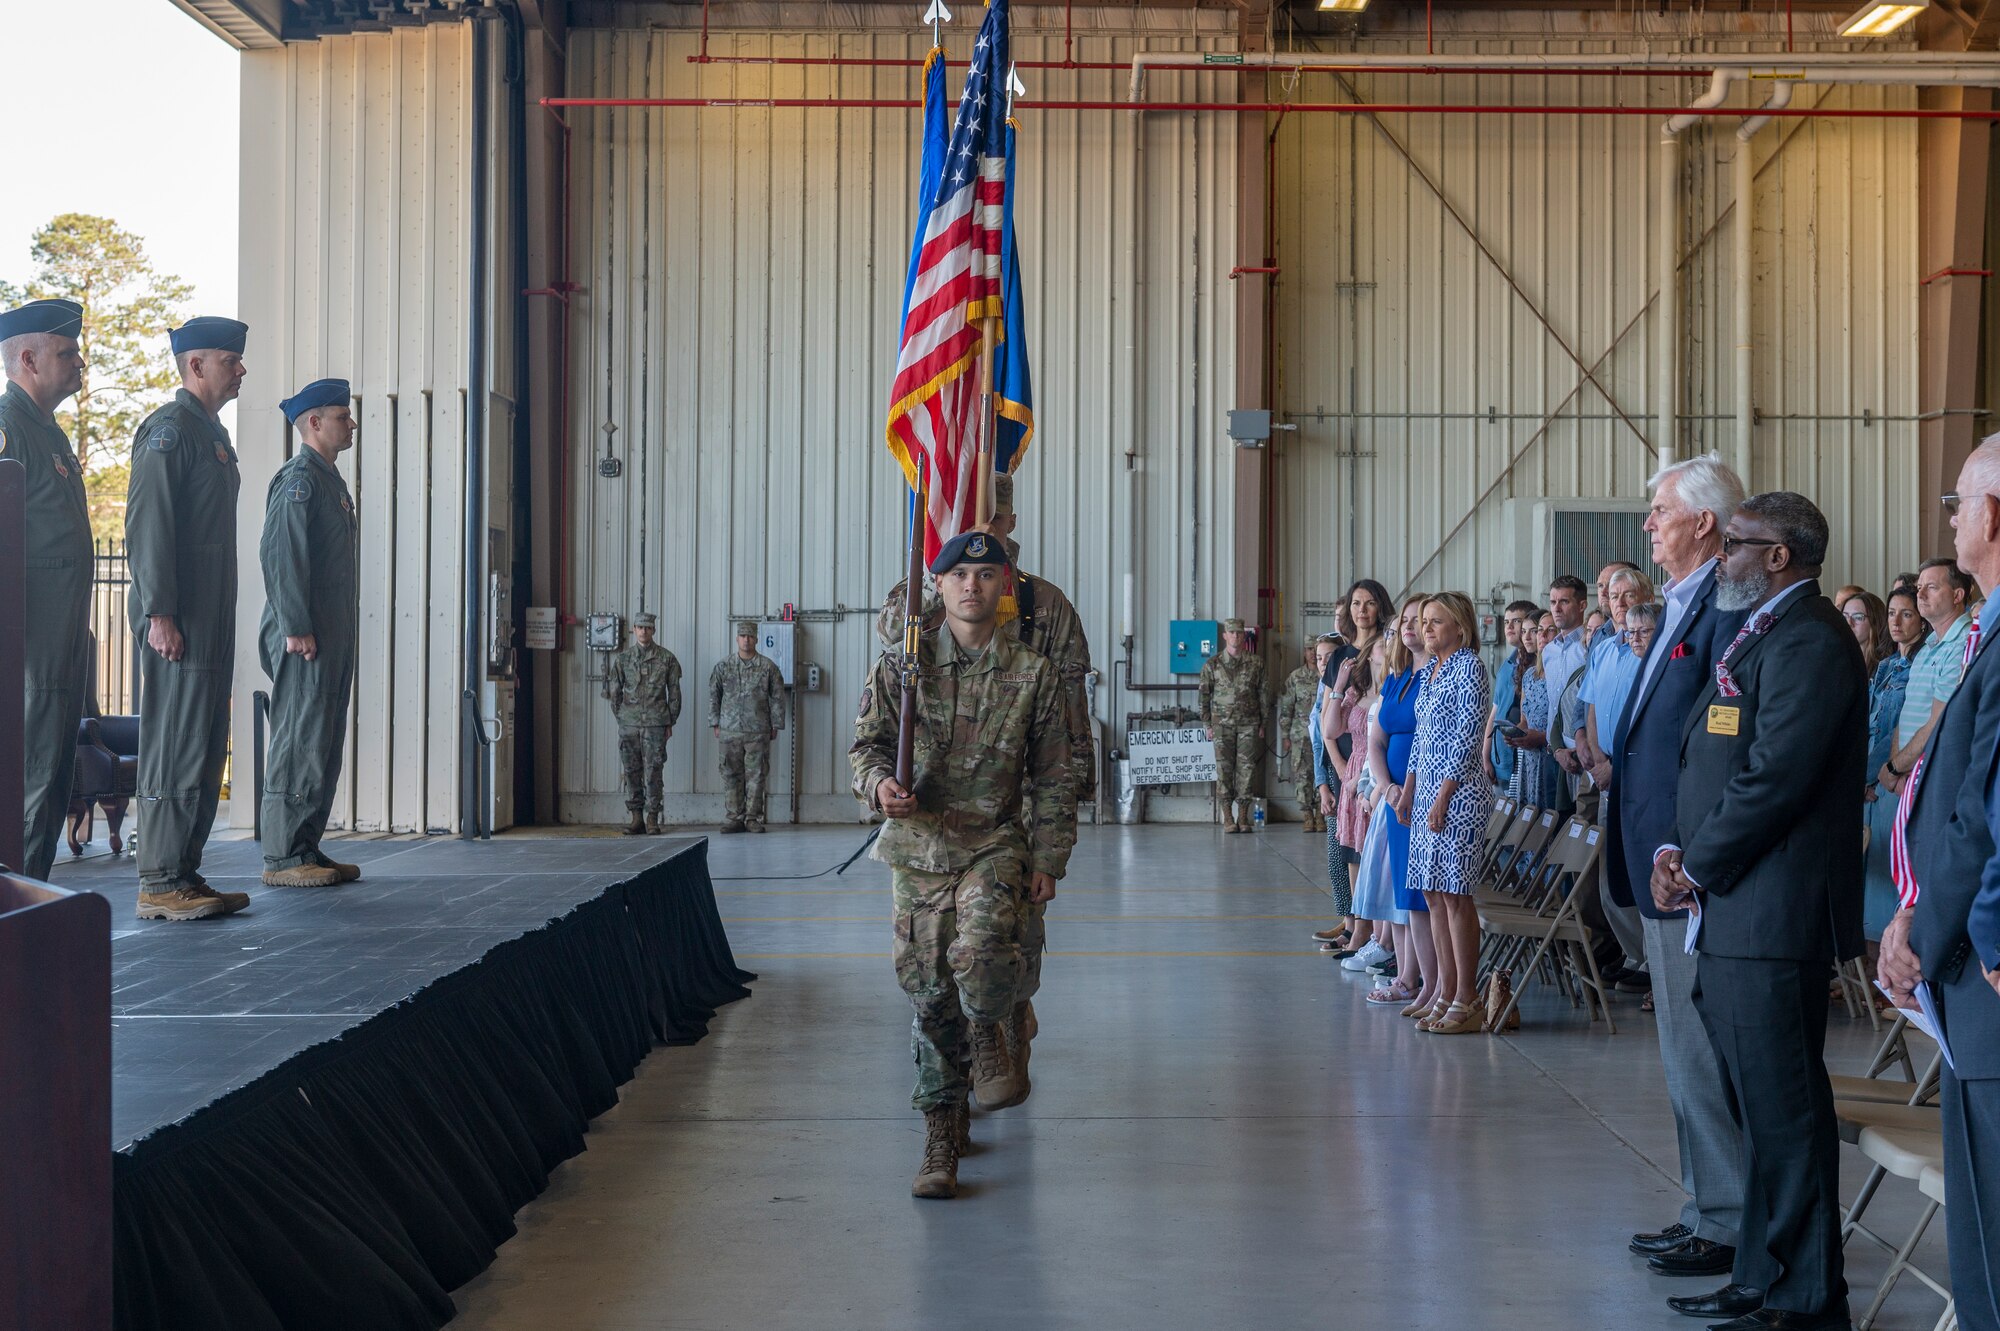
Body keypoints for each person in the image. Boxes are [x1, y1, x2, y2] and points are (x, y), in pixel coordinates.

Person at [1655, 491, 1864, 1331]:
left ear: (1779, 556)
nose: (1723, 557)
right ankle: (1759, 1273)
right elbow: (1714, 754)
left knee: (1786, 1116)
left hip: (1773, 916)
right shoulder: (1765, 627)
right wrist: (1677, 847)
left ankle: (1807, 1297)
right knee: (1756, 1113)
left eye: (1736, 544)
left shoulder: (1812, 638)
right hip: (1737, 907)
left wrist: (1698, 861)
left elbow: (1775, 775)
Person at [849, 529, 1075, 1200]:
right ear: (937, 588)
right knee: (927, 996)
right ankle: (941, 1133)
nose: (971, 584)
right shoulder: (900, 669)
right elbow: (866, 747)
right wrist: (878, 787)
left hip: (993, 844)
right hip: (918, 850)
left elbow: (1054, 778)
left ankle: (989, 1030)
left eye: (984, 573)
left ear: (1005, 587)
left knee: (978, 949)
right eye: (958, 575)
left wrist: (1048, 857)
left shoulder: (1034, 674)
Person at [1605, 451, 1750, 1288]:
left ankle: (1727, 1216)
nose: (1650, 524)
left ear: (1704, 523)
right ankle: (1706, 1205)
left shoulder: (1727, 608)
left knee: (1699, 1049)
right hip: (1654, 859)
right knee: (1677, 1049)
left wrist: (1688, 850)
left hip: (1685, 867)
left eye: (1660, 511)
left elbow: (1718, 749)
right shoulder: (1678, 606)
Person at [1879, 438, 2000, 1331]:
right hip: (1958, 941)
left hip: (1985, 961)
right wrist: (1916, 912)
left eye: (1959, 503)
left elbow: (1987, 815)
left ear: (1993, 513)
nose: (1952, 518)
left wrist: (1966, 935)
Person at [877, 471, 1095, 813]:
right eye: (973, 517)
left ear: (1012, 521)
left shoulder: (1044, 600)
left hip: (1015, 782)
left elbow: (1071, 690)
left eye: (995, 518)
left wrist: (1078, 774)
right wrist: (943, 582)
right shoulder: (935, 587)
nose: (985, 526)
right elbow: (890, 633)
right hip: (935, 778)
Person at [126, 317, 250, 916]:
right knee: (176, 740)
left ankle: (183, 870)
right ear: (196, 366)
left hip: (209, 615)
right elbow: (150, 526)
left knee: (203, 745)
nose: (241, 369)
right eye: (231, 360)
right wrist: (160, 612)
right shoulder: (171, 431)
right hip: (180, 619)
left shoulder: (210, 435)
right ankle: (158, 879)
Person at [257, 379, 362, 893]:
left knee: (322, 739)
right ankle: (282, 854)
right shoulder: (300, 479)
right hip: (306, 637)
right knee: (299, 738)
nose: (353, 424)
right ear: (314, 423)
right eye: (343, 416)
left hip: (329, 635)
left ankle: (305, 843)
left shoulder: (328, 481)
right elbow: (282, 556)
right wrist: (296, 626)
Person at [0, 299, 91, 883]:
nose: (79, 361)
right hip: (29, 645)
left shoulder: (49, 435)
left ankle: (32, 897)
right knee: (30, 775)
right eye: (66, 352)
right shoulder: (10, 429)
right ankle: (17, 903)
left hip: (59, 642)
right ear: (28, 358)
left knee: (52, 776)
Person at [1400, 592, 1493, 1035]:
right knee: (1434, 894)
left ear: (1461, 627)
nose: (1427, 628)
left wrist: (1442, 796)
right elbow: (1422, 739)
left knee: (1456, 895)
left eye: (1437, 621)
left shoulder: (1470, 667)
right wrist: (1410, 792)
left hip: (1459, 796)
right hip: (1426, 797)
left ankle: (1467, 997)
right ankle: (1443, 990)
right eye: (1424, 621)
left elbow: (1466, 737)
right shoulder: (1431, 672)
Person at [1363, 598, 1435, 993]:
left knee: (1422, 894)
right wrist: (1385, 786)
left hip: (1421, 796)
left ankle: (1424, 980)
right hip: (1394, 797)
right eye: (1405, 620)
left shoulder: (1437, 677)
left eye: (1419, 620)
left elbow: (1427, 741)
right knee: (1402, 892)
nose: (1409, 627)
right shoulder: (1397, 677)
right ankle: (1407, 976)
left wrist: (1403, 788)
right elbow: (1376, 740)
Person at [1876, 558, 1974, 802]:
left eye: (1931, 587)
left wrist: (1894, 768)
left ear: (1957, 595)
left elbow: (1939, 723)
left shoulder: (1963, 644)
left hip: (1936, 781)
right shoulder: (1927, 648)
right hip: (1908, 779)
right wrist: (1896, 768)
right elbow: (1906, 716)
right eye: (1919, 587)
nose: (1921, 594)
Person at [1861, 587, 1925, 939]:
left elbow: (1900, 727)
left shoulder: (1922, 662)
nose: (1897, 621)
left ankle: (1888, 966)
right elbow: (1869, 721)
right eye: (1891, 613)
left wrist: (1869, 773)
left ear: (1921, 619)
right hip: (1869, 773)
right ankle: (1872, 969)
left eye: (1907, 614)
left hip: (1892, 774)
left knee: (1890, 872)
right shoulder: (1885, 665)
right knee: (1870, 873)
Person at [604, 613, 681, 834]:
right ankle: (636, 818)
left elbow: (674, 694)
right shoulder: (624, 660)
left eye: (647, 628)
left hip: (656, 725)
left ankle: (653, 818)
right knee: (631, 771)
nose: (643, 631)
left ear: (653, 630)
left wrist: (669, 721)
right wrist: (623, 718)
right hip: (629, 725)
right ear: (634, 630)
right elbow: (615, 693)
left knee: (654, 771)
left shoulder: (667, 659)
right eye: (639, 627)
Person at [708, 621, 786, 834]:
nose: (746, 640)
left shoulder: (767, 667)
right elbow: (714, 695)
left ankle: (752, 818)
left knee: (756, 774)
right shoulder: (724, 667)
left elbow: (778, 697)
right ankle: (734, 818)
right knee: (731, 774)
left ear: (756, 639)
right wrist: (715, 722)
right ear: (737, 639)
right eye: (742, 636)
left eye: (750, 636)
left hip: (757, 731)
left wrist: (776, 724)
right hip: (729, 730)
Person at [1199, 617, 1270, 833]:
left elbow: (1264, 694)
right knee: (1224, 770)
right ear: (1224, 636)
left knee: (1247, 770)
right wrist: (1206, 723)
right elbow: (1204, 695)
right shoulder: (1212, 664)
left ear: (1244, 636)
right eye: (1232, 633)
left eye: (1239, 633)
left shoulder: (1256, 663)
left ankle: (1243, 816)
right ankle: (1228, 816)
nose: (1236, 637)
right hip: (1221, 725)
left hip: (1249, 724)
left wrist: (1263, 722)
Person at [1504, 612, 1564, 809]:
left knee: (1551, 819)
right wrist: (1515, 734)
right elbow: (1524, 720)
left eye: (1550, 631)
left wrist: (1541, 737)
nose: (1542, 636)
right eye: (1540, 631)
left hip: (1552, 754)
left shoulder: (1562, 672)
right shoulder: (1529, 675)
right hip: (1530, 758)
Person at [1484, 600, 1540, 794]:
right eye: (1506, 622)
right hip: (1500, 759)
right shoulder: (1506, 665)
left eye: (1516, 621)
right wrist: (1485, 755)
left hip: (1525, 759)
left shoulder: (1538, 667)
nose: (1509, 627)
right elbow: (1495, 712)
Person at [1279, 643, 1323, 831]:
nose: (1313, 653)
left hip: (1322, 736)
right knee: (1302, 775)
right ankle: (1307, 815)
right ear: (1304, 652)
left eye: (1316, 649)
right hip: (1301, 735)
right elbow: (1287, 708)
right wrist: (1285, 735)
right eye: (1309, 649)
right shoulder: (1295, 677)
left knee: (1322, 773)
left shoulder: (1327, 676)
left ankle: (1321, 815)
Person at [1841, 590, 1888, 680]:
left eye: (1858, 617)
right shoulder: (1838, 661)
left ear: (1875, 622)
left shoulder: (1887, 667)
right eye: (1845, 616)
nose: (1849, 623)